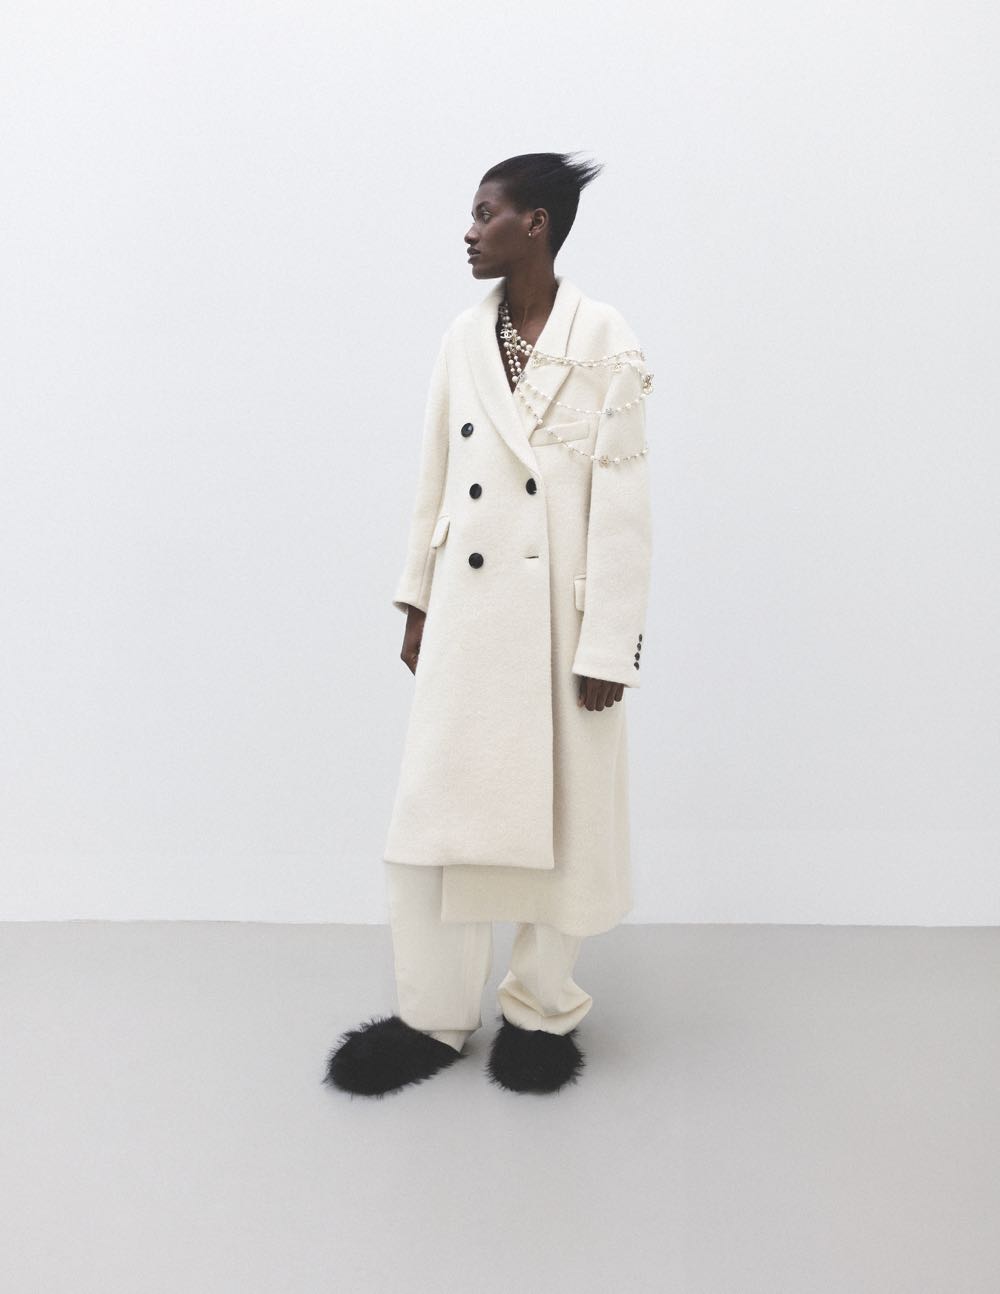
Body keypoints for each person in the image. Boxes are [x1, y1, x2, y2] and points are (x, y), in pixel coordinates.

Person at [324, 152, 653, 1099]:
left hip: (561, 626)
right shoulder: (462, 340)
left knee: (565, 820)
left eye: (485, 213)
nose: (469, 232)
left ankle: (540, 1013)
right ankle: (431, 1017)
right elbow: (434, 475)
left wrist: (610, 641)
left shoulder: (606, 338)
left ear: (535, 223)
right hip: (471, 614)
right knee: (437, 815)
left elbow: (623, 501)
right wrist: (418, 599)